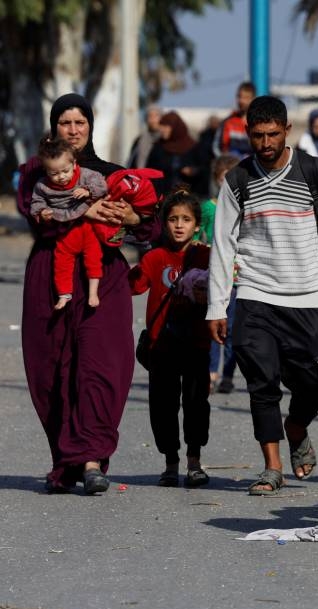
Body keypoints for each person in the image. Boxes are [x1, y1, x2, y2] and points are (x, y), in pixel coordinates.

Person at [206, 95, 318, 494]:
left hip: (305, 295)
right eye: (257, 135)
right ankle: (271, 466)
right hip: (254, 294)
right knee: (261, 382)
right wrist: (217, 306)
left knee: (311, 383)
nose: (265, 143)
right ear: (247, 134)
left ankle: (296, 426)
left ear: (287, 131)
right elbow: (223, 245)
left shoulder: (314, 172)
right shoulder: (237, 180)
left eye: (272, 134)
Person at [17, 93, 153, 494]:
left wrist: (128, 216)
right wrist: (83, 211)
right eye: (65, 123)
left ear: (90, 127)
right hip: (52, 276)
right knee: (51, 369)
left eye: (80, 123)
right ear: (53, 128)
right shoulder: (34, 172)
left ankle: (92, 459)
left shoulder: (113, 175)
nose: (73, 131)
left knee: (101, 366)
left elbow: (148, 226)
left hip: (102, 279)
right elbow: (35, 215)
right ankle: (66, 461)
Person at [129, 189, 212, 488]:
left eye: (186, 219)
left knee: (196, 403)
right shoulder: (154, 257)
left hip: (197, 343)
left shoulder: (206, 256)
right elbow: (134, 287)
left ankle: (194, 460)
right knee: (162, 405)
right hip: (161, 345)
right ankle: (170, 462)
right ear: (164, 224)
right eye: (173, 219)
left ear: (197, 225)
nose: (179, 225)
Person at [30, 136, 109, 310]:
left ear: (74, 164)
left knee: (94, 258)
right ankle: (64, 294)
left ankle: (93, 292)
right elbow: (37, 202)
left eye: (65, 171)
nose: (61, 177)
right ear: (46, 170)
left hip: (87, 227)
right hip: (65, 230)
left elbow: (102, 185)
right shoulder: (42, 186)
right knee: (61, 261)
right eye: (54, 173)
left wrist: (88, 191)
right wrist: (42, 213)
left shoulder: (86, 175)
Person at [199, 154, 241, 393]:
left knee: (234, 331)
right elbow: (196, 233)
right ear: (216, 179)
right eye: (222, 179)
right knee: (214, 324)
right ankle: (211, 372)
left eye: (231, 179)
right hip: (214, 276)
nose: (227, 185)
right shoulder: (208, 208)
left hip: (237, 279)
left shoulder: (246, 209)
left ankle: (228, 374)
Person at [146, 111, 198, 196]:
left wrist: (193, 171)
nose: (162, 129)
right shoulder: (158, 147)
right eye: (161, 126)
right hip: (163, 198)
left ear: (176, 127)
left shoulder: (193, 147)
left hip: (188, 199)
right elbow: (149, 172)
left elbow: (204, 170)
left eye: (166, 126)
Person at [214, 81, 256, 158]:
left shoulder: (258, 123)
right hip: (232, 166)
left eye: (246, 97)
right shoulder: (227, 122)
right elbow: (217, 148)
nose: (241, 101)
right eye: (239, 96)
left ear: (253, 99)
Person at [127, 105, 161, 169]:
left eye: (156, 116)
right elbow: (131, 162)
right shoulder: (139, 140)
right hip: (141, 176)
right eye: (150, 116)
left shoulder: (165, 140)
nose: (153, 119)